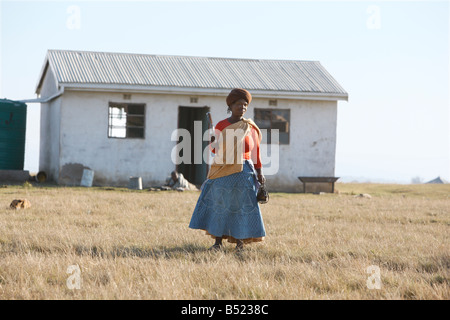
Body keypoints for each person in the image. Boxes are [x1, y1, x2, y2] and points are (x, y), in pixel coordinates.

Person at [189, 88, 266, 251]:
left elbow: (255, 152)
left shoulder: (249, 127)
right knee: (220, 207)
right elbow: (215, 151)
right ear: (230, 106)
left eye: (245, 105)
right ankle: (217, 243)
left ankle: (240, 244)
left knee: (241, 208)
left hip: (244, 172)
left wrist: (259, 172)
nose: (243, 107)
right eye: (239, 104)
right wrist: (211, 142)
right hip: (223, 172)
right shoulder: (221, 125)